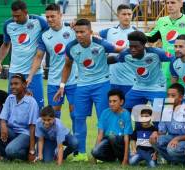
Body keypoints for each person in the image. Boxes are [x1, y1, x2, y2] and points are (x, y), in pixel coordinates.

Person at [53, 19, 124, 161]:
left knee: (104, 120)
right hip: (82, 87)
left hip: (102, 85)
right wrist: (62, 86)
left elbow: (120, 50)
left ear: (90, 32)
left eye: (82, 32)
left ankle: (103, 154)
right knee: (78, 119)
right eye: (77, 32)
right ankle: (81, 154)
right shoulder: (71, 47)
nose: (79, 35)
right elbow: (67, 66)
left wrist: (139, 48)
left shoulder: (101, 43)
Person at [27, 4, 77, 127]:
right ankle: (55, 145)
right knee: (53, 115)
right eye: (47, 17)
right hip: (54, 80)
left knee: (76, 114)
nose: (49, 19)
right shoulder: (44, 35)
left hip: (74, 80)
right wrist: (30, 75)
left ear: (60, 15)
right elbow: (38, 56)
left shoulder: (73, 30)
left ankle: (77, 145)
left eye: (52, 16)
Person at [0, 0, 48, 109]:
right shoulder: (8, 24)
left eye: (18, 16)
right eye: (13, 16)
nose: (15, 19)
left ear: (25, 12)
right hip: (15, 71)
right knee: (13, 106)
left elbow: (54, 28)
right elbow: (5, 44)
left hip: (34, 73)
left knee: (38, 107)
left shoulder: (39, 21)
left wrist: (69, 25)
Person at [111, 31, 172, 112]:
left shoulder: (156, 53)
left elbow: (174, 58)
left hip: (157, 87)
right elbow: (115, 59)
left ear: (144, 45)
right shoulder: (125, 54)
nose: (133, 49)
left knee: (160, 116)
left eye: (136, 47)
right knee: (123, 111)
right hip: (138, 87)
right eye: (131, 46)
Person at [145, 0, 185, 87]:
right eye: (167, 3)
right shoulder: (161, 21)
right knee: (169, 98)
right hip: (166, 67)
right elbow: (151, 37)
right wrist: (136, 33)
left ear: (181, 3)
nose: (169, 5)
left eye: (172, 2)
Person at [0, 73, 39, 161]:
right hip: (12, 131)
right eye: (11, 84)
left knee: (11, 150)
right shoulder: (10, 98)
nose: (12, 86)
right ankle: (6, 156)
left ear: (24, 85)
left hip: (25, 134)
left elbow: (32, 127)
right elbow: (2, 118)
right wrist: (4, 126)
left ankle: (27, 155)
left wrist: (32, 150)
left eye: (16, 84)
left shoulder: (32, 102)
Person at [149, 83, 185, 164]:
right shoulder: (166, 110)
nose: (169, 98)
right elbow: (162, 131)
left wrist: (177, 139)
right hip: (172, 137)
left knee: (171, 149)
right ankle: (174, 160)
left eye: (173, 95)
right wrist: (155, 133)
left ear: (181, 97)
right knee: (154, 140)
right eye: (168, 95)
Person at [99, 4, 136, 95]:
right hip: (112, 80)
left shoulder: (137, 32)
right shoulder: (109, 31)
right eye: (124, 14)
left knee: (129, 108)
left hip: (131, 79)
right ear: (118, 15)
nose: (127, 17)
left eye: (129, 14)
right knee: (113, 108)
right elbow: (92, 35)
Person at [91, 89, 133, 165]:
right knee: (95, 151)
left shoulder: (126, 114)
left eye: (114, 101)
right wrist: (94, 157)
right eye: (110, 101)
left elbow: (127, 138)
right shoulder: (105, 112)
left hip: (120, 141)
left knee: (112, 137)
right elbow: (100, 135)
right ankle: (112, 158)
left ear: (121, 102)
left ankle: (122, 158)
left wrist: (125, 159)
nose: (111, 104)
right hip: (108, 141)